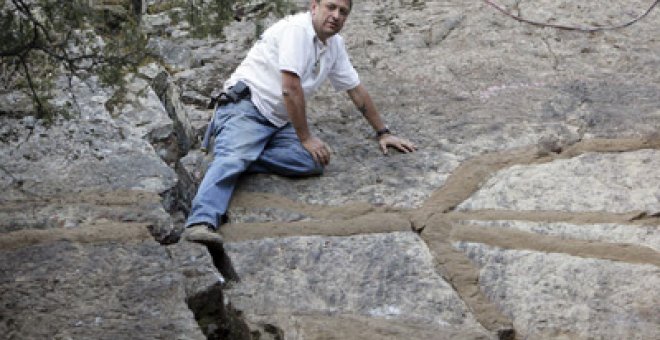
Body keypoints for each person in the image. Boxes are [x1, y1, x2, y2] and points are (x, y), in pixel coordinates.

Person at [183, 0, 417, 245]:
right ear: (314, 6)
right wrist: (305, 137)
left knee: (312, 161)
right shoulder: (297, 30)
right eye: (331, 7)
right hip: (246, 108)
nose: (336, 15)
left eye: (343, 12)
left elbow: (355, 89)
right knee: (232, 159)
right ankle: (201, 221)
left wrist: (383, 132)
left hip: (279, 121)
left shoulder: (333, 45)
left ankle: (239, 154)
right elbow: (290, 88)